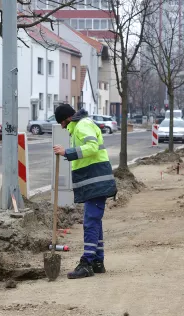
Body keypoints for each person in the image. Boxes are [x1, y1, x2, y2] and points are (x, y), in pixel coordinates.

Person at [52, 104, 117, 279]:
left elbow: (92, 147)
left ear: (66, 119)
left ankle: (87, 263)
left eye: (62, 123)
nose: (62, 127)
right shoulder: (80, 126)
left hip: (96, 181)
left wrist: (67, 151)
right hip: (94, 181)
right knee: (95, 222)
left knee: (90, 222)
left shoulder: (82, 125)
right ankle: (97, 261)